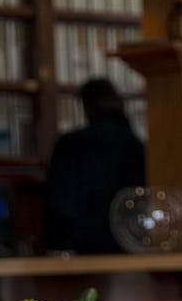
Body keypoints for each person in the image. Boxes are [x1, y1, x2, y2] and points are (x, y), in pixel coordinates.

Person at [44, 78, 145, 255]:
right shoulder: (139, 146)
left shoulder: (71, 144)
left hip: (83, 246)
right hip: (135, 245)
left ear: (87, 106)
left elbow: (60, 203)